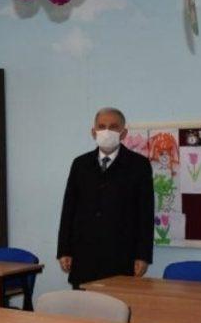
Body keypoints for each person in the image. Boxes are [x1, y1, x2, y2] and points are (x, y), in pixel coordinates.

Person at [57, 107, 155, 287]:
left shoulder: (139, 165)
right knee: (81, 304)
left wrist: (143, 255)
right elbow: (69, 208)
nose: (107, 131)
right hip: (84, 255)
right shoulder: (80, 164)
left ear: (123, 133)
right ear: (93, 132)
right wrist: (64, 250)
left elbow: (145, 214)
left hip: (121, 255)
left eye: (113, 127)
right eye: (101, 126)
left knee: (117, 303)